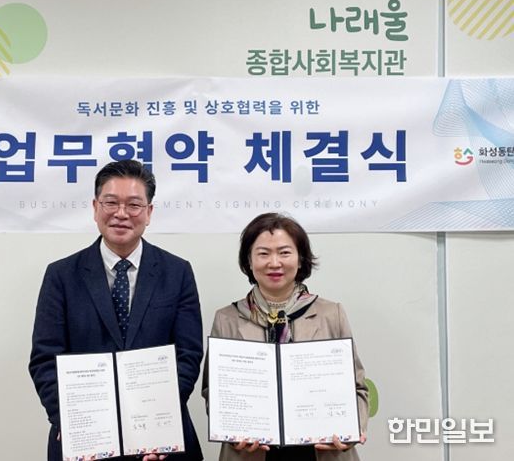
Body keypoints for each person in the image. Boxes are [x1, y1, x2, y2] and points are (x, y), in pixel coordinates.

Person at [29, 159, 204, 461]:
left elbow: (188, 355)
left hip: (159, 443)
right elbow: (45, 359)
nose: (121, 213)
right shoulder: (61, 275)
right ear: (95, 207)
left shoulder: (177, 272)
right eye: (111, 202)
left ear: (149, 212)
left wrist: (158, 423)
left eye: (134, 205)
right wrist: (70, 421)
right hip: (85, 442)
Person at [202, 213, 368, 461]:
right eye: (263, 253)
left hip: (322, 451)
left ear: (300, 259)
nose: (274, 263)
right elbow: (213, 391)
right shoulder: (227, 318)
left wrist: (351, 429)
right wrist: (232, 429)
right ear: (249, 261)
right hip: (251, 452)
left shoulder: (331, 313)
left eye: (284, 252)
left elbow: (357, 387)